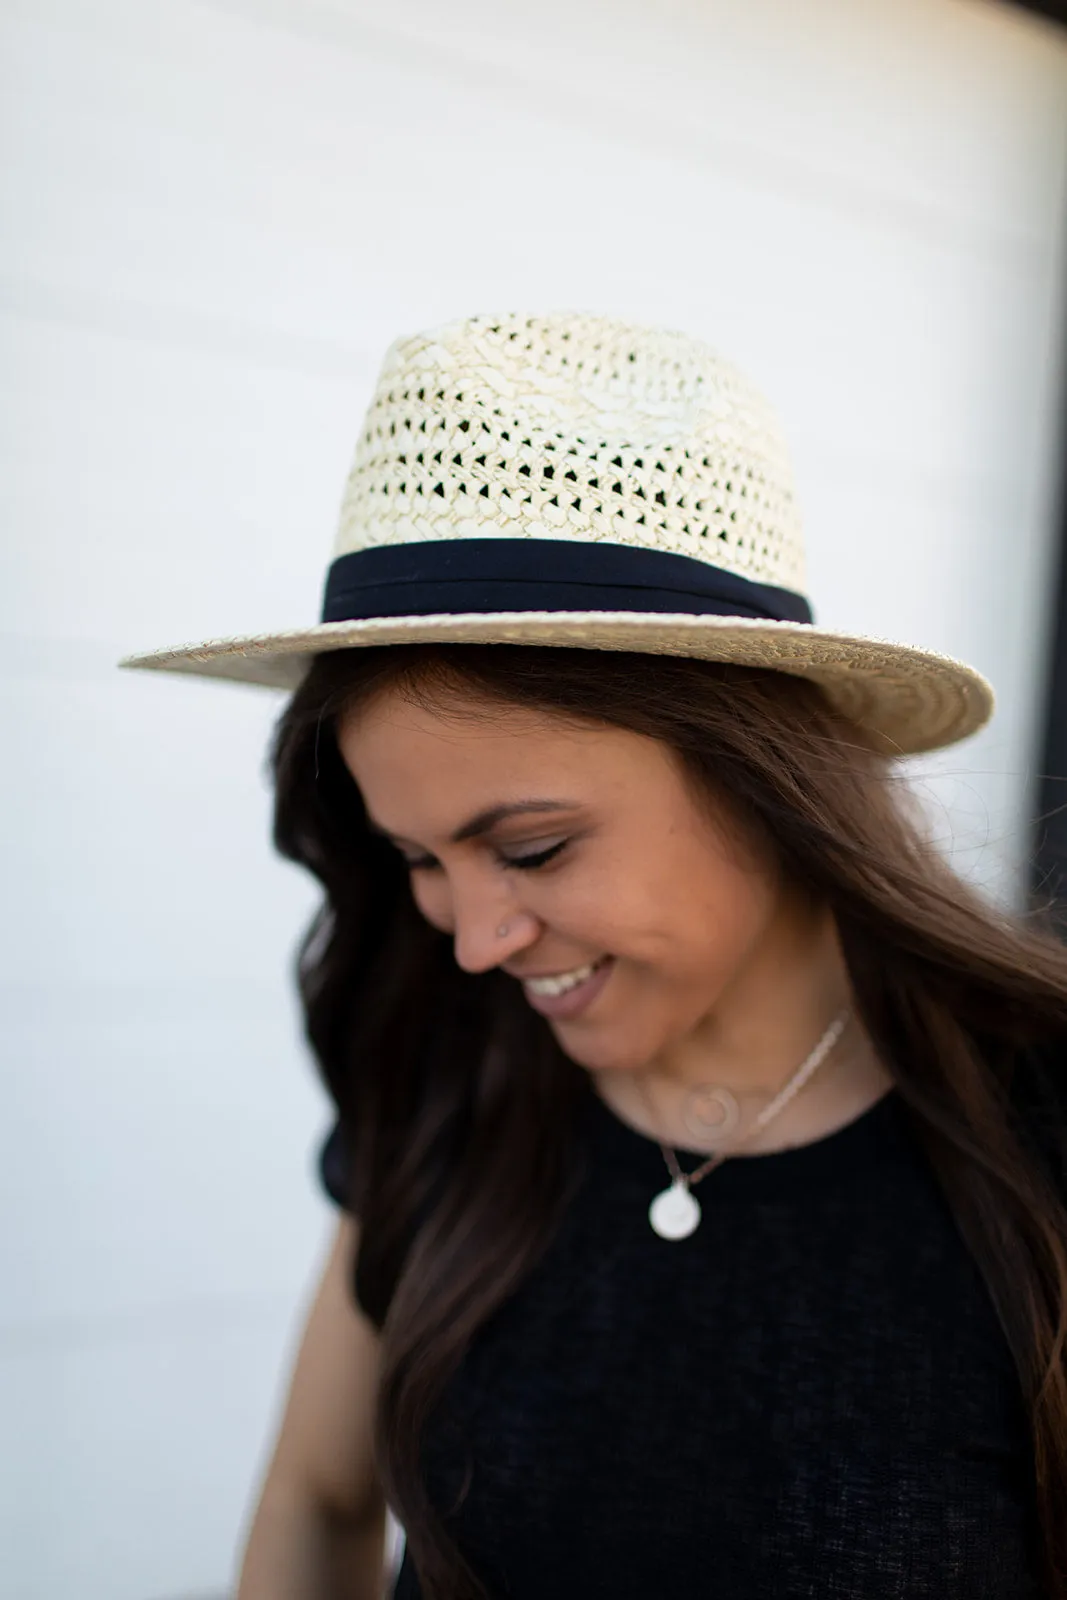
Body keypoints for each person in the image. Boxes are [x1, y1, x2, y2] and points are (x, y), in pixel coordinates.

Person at [124, 313, 1067, 1600]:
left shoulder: (1030, 1138)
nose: (471, 942)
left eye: (531, 847)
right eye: (417, 859)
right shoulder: (452, 1078)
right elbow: (316, 1498)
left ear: (763, 781)